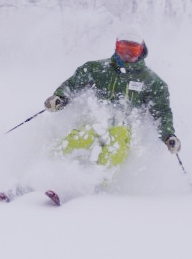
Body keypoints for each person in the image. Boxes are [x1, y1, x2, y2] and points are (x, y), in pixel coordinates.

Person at [44, 31, 181, 172]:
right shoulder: (97, 69)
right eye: (123, 49)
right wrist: (60, 98)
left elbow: (161, 111)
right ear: (116, 47)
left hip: (127, 128)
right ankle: (48, 170)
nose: (127, 54)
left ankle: (97, 181)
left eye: (132, 50)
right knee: (82, 136)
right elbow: (74, 84)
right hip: (97, 120)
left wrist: (168, 135)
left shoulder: (151, 81)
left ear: (141, 52)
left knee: (117, 141)